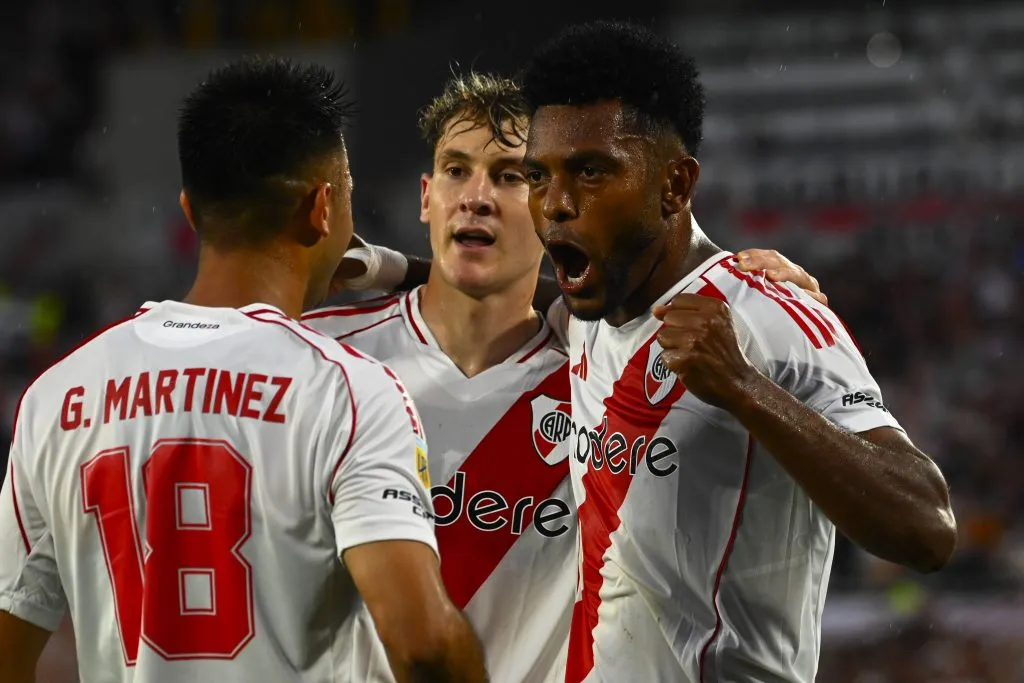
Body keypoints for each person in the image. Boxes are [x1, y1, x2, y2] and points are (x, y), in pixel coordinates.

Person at [311, 72, 831, 682]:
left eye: (509, 176)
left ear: (546, 205)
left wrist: (756, 298)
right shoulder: (329, 360)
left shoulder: (600, 362)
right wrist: (386, 267)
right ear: (426, 196)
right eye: (455, 171)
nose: (475, 197)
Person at [0, 57, 487, 683]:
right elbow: (425, 648)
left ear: (189, 210)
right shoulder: (347, 390)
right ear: (322, 208)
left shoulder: (57, 395)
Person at [516, 21, 957, 683]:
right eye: (538, 175)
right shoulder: (593, 305)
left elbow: (927, 526)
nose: (555, 204)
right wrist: (371, 266)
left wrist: (746, 388)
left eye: (590, 171)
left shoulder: (770, 314)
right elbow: (481, 293)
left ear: (674, 185)